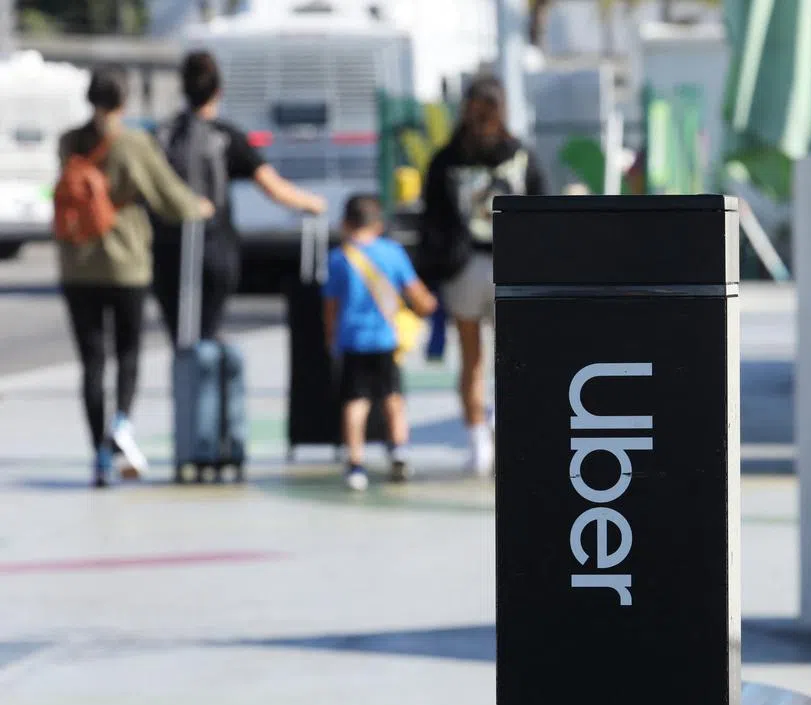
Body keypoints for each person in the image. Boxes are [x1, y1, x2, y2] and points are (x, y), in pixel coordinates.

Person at [55, 68, 215, 487]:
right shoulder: (134, 143)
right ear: (124, 102)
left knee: (92, 362)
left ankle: (98, 456)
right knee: (128, 354)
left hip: (76, 264)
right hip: (126, 262)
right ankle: (120, 427)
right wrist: (198, 207)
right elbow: (170, 199)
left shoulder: (69, 142)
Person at [151, 50, 326, 344]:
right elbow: (272, 186)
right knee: (206, 330)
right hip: (215, 246)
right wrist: (311, 203)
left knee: (179, 334)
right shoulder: (226, 136)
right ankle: (203, 376)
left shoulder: (163, 135)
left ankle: (186, 377)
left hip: (169, 247)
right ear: (219, 91)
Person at [419, 75, 547, 476]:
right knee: (515, 358)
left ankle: (477, 442)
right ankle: (510, 434)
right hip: (513, 266)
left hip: (463, 268)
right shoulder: (520, 154)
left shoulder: (446, 159)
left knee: (471, 360)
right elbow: (543, 208)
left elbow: (431, 218)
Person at [323, 194, 437, 491]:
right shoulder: (393, 252)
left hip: (352, 341)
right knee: (393, 398)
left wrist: (331, 338)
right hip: (387, 339)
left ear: (346, 223)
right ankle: (398, 450)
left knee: (355, 402)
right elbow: (418, 295)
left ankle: (355, 464)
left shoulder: (339, 258)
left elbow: (331, 306)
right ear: (379, 223)